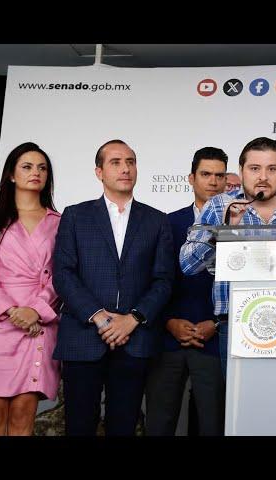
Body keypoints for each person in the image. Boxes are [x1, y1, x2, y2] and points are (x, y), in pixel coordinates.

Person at [180, 137, 276, 431]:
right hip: (237, 328)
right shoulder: (219, 206)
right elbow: (188, 264)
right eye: (254, 168)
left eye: (271, 169)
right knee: (246, 415)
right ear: (240, 170)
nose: (263, 176)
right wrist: (223, 231)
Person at [52, 139, 174, 436]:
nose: (125, 169)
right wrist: (99, 316)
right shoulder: (75, 215)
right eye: (116, 162)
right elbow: (63, 273)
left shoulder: (157, 220)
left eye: (131, 162)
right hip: (84, 336)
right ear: (99, 172)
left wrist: (132, 319)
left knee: (125, 424)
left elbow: (164, 279)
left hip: (135, 339)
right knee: (79, 425)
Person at [0, 142, 61, 435]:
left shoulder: (60, 223)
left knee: (23, 419)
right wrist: (11, 310)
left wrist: (36, 310)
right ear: (11, 175)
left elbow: (62, 275)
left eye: (42, 168)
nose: (36, 173)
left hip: (37, 325)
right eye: (28, 166)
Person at [145, 147, 228, 436]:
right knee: (159, 423)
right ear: (191, 178)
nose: (213, 181)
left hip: (216, 340)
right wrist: (168, 321)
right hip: (169, 336)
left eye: (220, 175)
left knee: (213, 426)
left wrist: (217, 324)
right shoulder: (168, 222)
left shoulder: (240, 223)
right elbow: (154, 279)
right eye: (206, 174)